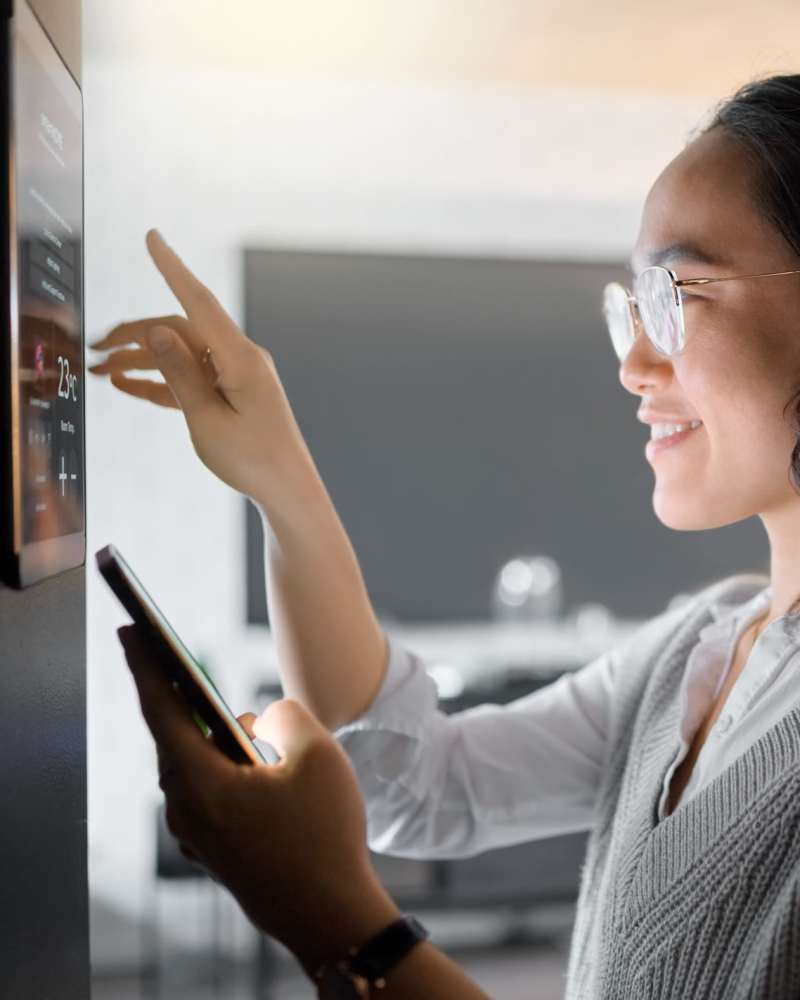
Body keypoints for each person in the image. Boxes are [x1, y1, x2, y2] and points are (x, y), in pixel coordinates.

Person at [93, 74, 800, 999]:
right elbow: (411, 784)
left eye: (674, 290)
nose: (631, 362)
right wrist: (281, 479)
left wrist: (334, 918)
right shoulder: (694, 652)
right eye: (632, 303)